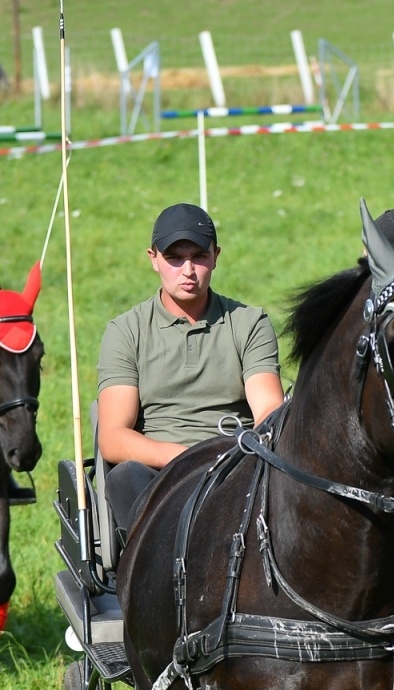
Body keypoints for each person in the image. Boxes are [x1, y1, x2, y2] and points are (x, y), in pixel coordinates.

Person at [95, 203, 283, 540]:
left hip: (234, 470)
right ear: (153, 259)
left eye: (198, 256)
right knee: (124, 477)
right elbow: (112, 437)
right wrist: (186, 459)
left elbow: (268, 413)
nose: (188, 270)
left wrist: (229, 463)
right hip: (159, 478)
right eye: (175, 258)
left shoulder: (249, 323)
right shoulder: (126, 331)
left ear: (216, 256)